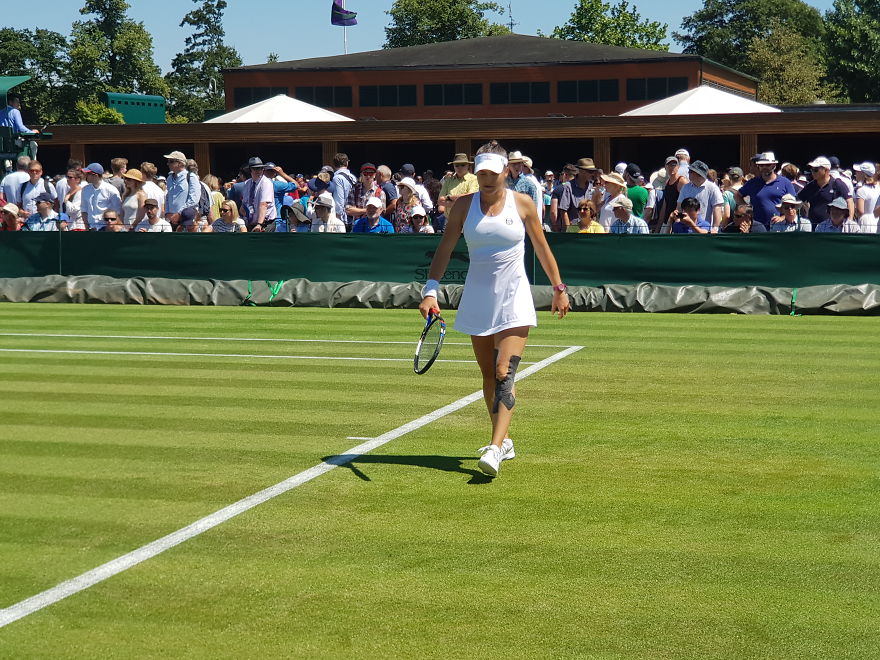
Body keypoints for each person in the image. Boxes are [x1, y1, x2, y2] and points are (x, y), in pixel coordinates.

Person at [418, 140, 570, 478]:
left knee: (504, 372)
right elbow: (444, 249)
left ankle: (495, 446)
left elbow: (542, 248)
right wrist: (430, 291)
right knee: (489, 375)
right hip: (478, 298)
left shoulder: (523, 204)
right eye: (481, 174)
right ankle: (504, 440)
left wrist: (559, 288)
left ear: (505, 172)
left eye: (493, 173)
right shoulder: (462, 206)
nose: (487, 179)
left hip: (514, 298)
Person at [735, 152, 795, 228]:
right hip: (757, 227)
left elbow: (794, 203)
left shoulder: (785, 182)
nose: (764, 167)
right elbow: (737, 195)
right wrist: (747, 209)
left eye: (767, 165)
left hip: (779, 226)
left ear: (774, 165)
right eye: (761, 165)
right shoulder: (753, 182)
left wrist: (783, 217)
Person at [798, 156, 852, 227]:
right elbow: (797, 201)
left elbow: (849, 201)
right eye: (812, 169)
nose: (813, 172)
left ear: (826, 170)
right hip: (813, 227)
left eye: (816, 170)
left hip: (832, 228)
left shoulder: (837, 184)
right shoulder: (810, 186)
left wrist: (849, 222)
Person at [677, 160, 724, 232]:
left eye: (691, 171)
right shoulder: (685, 187)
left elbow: (717, 208)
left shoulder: (712, 188)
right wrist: (678, 220)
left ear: (699, 174)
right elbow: (679, 206)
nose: (688, 172)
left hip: (705, 230)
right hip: (686, 230)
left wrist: (715, 228)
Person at [556, 158, 599, 231]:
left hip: (589, 230)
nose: (592, 174)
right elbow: (563, 211)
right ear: (581, 171)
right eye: (590, 171)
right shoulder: (568, 186)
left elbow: (594, 212)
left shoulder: (592, 187)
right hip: (574, 230)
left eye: (593, 171)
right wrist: (569, 231)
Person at [163, 150, 199, 231]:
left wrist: (179, 213)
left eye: (171, 161)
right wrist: (167, 212)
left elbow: (194, 199)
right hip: (171, 220)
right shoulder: (169, 178)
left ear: (180, 163)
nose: (168, 164)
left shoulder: (191, 177)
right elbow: (168, 197)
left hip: (186, 220)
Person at [80, 162, 122, 230]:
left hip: (107, 229)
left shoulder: (111, 190)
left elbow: (118, 212)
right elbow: (84, 210)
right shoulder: (85, 190)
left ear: (95, 175)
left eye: (88, 174)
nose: (85, 176)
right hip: (91, 228)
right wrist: (87, 227)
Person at [240, 157, 276, 232]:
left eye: (261, 168)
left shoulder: (266, 183)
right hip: (251, 223)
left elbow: (264, 204)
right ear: (250, 170)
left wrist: (259, 224)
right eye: (256, 169)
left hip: (265, 224)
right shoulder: (247, 183)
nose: (259, 171)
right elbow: (244, 204)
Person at [437, 153, 478, 218]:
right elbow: (440, 201)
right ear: (453, 166)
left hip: (467, 219)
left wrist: (449, 197)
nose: (459, 168)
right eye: (456, 165)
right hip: (449, 219)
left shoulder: (474, 179)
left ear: (468, 166)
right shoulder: (448, 181)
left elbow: (470, 197)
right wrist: (461, 202)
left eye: (463, 165)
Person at [852, 162, 879, 233]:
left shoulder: (861, 190)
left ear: (863, 174)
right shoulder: (877, 188)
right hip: (875, 223)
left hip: (864, 224)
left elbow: (860, 211)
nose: (856, 173)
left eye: (858, 171)